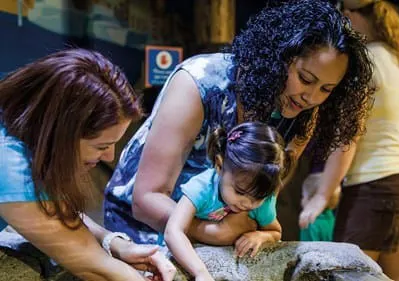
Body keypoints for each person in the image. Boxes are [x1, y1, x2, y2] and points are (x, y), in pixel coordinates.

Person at [104, 0, 374, 246]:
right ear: (279, 56)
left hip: (221, 236)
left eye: (327, 89)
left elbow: (263, 200)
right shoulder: (200, 83)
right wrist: (211, 232)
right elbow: (145, 199)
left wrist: (258, 231)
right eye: (305, 78)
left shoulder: (302, 112)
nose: (311, 97)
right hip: (143, 231)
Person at [0, 49, 176, 281]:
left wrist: (115, 244)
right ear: (61, 134)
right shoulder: (8, 164)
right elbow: (93, 266)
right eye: (101, 146)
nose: (109, 157)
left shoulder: (23, 131)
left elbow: (53, 210)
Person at [298, 0, 399, 280]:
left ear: (350, 15)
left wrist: (322, 195)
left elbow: (349, 135)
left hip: (375, 191)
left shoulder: (364, 62)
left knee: (347, 276)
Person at [165, 122, 289, 280]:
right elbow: (173, 231)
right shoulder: (201, 188)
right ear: (219, 165)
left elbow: (276, 232)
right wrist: (200, 272)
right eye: (240, 192)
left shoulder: (263, 199)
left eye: (258, 197)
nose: (248, 203)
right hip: (190, 257)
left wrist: (260, 236)